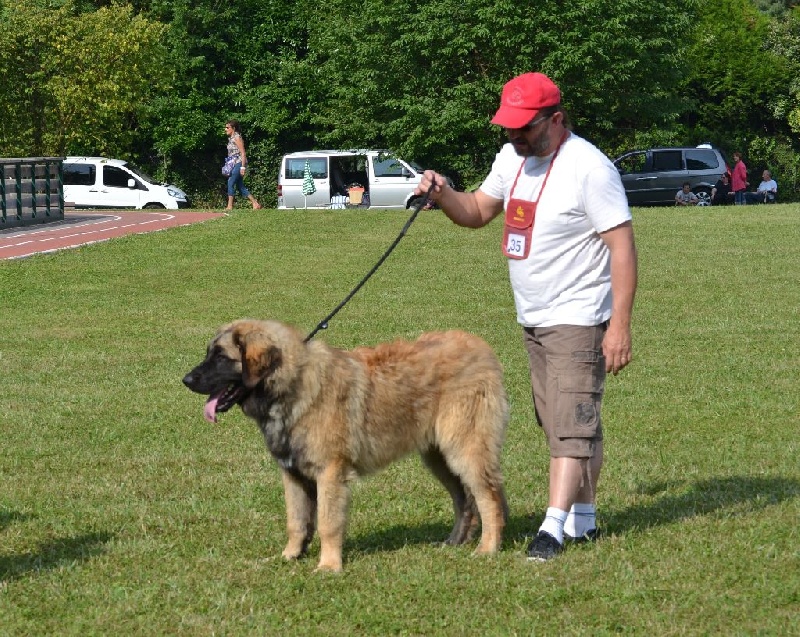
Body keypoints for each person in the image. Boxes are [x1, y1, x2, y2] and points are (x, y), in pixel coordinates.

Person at [414, 72, 638, 561]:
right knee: (566, 420)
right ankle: (585, 520)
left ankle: (551, 529)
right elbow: (476, 210)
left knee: (571, 424)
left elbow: (622, 247)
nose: (514, 135)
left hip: (577, 314)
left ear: (556, 120)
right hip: (533, 316)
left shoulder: (589, 168)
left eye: (524, 126)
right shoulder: (511, 159)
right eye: (509, 126)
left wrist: (619, 325)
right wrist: (443, 192)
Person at [224, 120, 261, 210]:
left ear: (233, 128)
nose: (225, 129)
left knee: (230, 182)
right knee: (240, 185)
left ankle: (229, 206)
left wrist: (243, 167)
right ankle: (255, 203)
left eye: (227, 127)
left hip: (239, 162)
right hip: (233, 163)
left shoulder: (237, 137)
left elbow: (243, 153)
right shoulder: (231, 138)